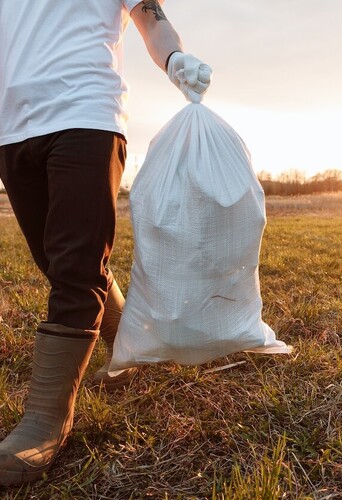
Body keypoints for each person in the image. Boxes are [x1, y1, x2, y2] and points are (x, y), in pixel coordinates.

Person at [0, 0, 211, 486]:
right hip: (13, 127)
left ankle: (44, 422)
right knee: (59, 259)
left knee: (75, 267)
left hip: (85, 113)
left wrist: (175, 59)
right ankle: (128, 342)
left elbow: (150, 19)